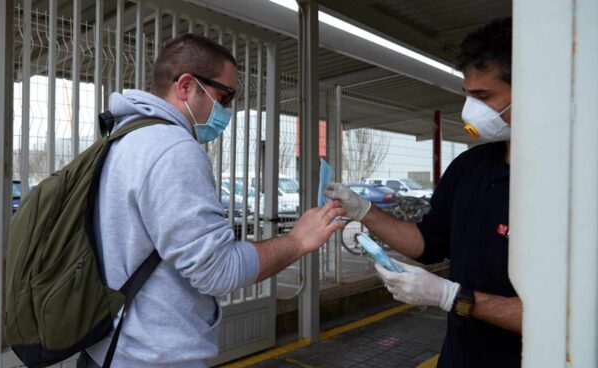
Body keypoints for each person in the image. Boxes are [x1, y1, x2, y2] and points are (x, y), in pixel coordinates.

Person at [81, 34, 345, 367]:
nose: (229, 110)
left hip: (109, 349)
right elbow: (217, 271)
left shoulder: (122, 138)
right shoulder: (173, 149)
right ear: (186, 87)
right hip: (154, 357)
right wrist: (296, 240)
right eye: (225, 96)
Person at [324, 18, 521, 367]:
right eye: (467, 95)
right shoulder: (468, 167)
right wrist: (362, 210)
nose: (469, 110)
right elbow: (428, 244)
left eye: (484, 96)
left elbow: (566, 318)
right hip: (459, 357)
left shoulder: (569, 183)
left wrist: (451, 296)